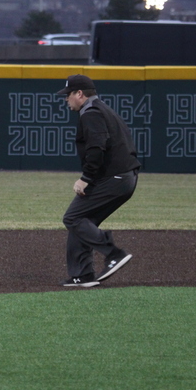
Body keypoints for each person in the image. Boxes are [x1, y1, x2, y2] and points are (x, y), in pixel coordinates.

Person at [57, 74, 140, 287]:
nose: (66, 99)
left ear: (80, 94)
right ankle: (82, 275)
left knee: (73, 218)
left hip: (115, 177)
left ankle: (113, 253)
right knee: (82, 219)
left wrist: (87, 178)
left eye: (68, 95)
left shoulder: (91, 113)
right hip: (122, 177)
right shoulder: (102, 109)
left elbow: (97, 146)